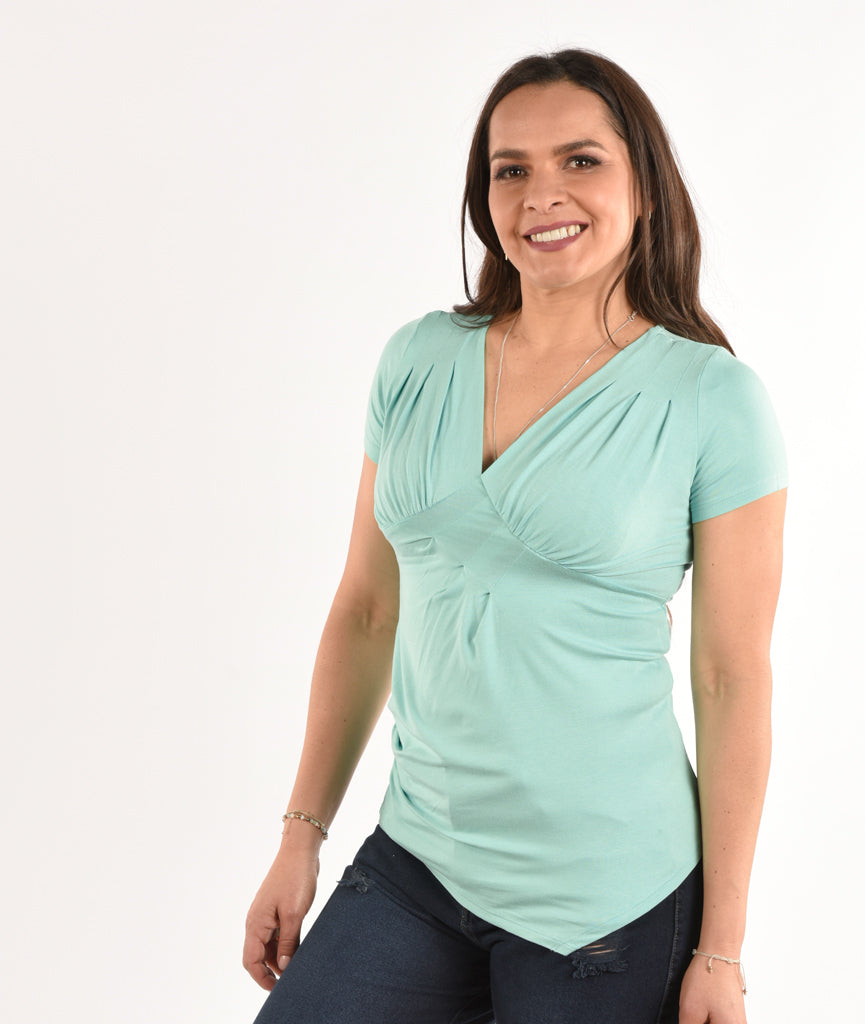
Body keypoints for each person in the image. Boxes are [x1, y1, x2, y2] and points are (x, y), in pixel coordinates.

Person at [243, 48, 787, 1024]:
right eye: (511, 169)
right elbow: (366, 610)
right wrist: (301, 834)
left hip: (608, 899)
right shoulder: (417, 361)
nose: (543, 194)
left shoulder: (713, 399)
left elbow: (729, 677)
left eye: (581, 160)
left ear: (643, 187)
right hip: (420, 858)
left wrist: (722, 947)